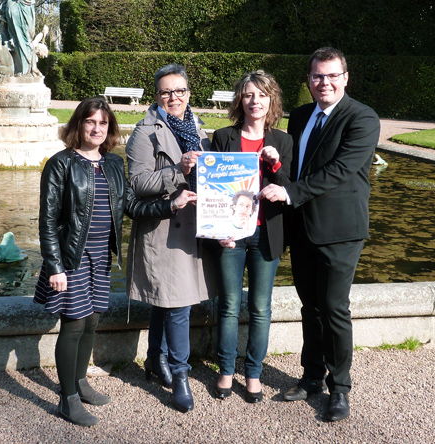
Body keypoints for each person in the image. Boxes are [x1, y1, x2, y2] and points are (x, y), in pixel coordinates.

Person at [34, 97, 196, 427]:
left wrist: (172, 205)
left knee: (92, 321)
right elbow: (47, 221)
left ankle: (79, 384)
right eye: (90, 121)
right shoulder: (60, 164)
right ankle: (67, 400)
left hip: (100, 258)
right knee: (74, 323)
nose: (96, 128)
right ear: (78, 124)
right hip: (71, 258)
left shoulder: (111, 164)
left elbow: (133, 208)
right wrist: (55, 267)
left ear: (109, 129)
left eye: (103, 123)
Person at [259, 47, 381, 421]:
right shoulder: (299, 116)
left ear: (345, 77)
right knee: (309, 307)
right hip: (303, 228)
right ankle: (312, 376)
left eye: (331, 75)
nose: (323, 82)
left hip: (340, 231)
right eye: (316, 76)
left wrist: (290, 192)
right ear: (309, 80)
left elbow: (341, 170)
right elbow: (295, 167)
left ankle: (340, 388)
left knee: (333, 308)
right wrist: (274, 165)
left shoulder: (362, 118)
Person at [125, 64, 214, 413]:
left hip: (195, 227)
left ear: (188, 93)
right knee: (178, 303)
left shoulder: (197, 128)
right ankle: (180, 374)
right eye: (166, 92)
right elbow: (137, 184)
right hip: (164, 228)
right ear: (157, 96)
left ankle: (152, 358)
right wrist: (178, 170)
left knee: (168, 299)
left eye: (179, 91)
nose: (174, 97)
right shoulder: (145, 132)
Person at [210, 70, 292, 403]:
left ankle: (254, 373)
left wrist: (274, 166)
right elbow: (212, 187)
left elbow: (290, 190)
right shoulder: (223, 136)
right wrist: (216, 229)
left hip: (266, 234)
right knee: (229, 306)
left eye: (261, 95)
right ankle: (226, 370)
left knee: (260, 308)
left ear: (271, 100)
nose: (254, 101)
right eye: (248, 95)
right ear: (240, 100)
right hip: (231, 235)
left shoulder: (283, 141)